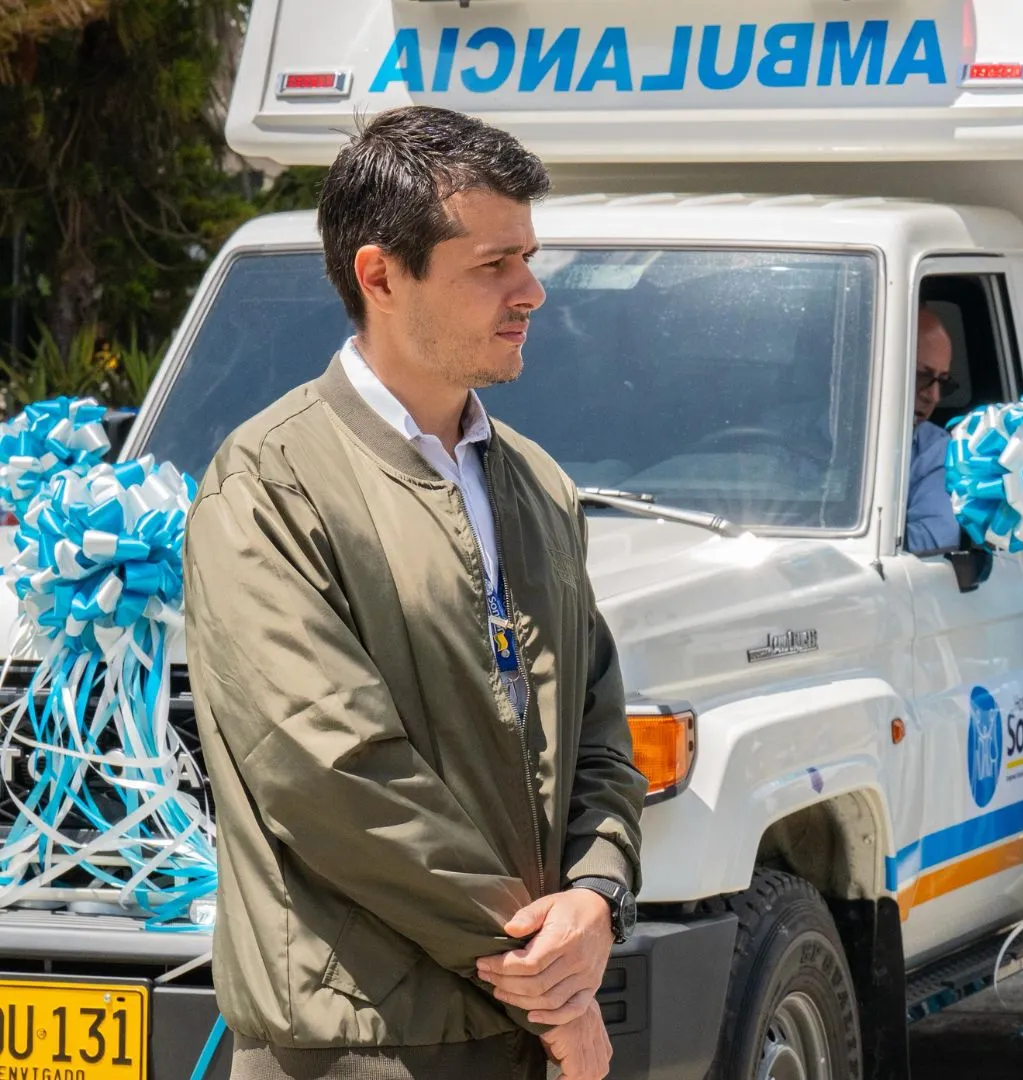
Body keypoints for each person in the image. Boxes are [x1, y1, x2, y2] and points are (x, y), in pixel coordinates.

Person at [183, 107, 647, 1080]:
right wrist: (543, 974)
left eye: (528, 257)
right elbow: (330, 774)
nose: (532, 291)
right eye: (494, 265)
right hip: (359, 1047)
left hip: (516, 1035)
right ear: (381, 275)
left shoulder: (534, 485)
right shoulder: (269, 483)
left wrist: (598, 898)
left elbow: (599, 735)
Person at [906, 306, 962, 552]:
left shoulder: (935, 449)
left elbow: (936, 537)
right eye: (922, 375)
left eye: (942, 382)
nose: (934, 396)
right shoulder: (796, 427)